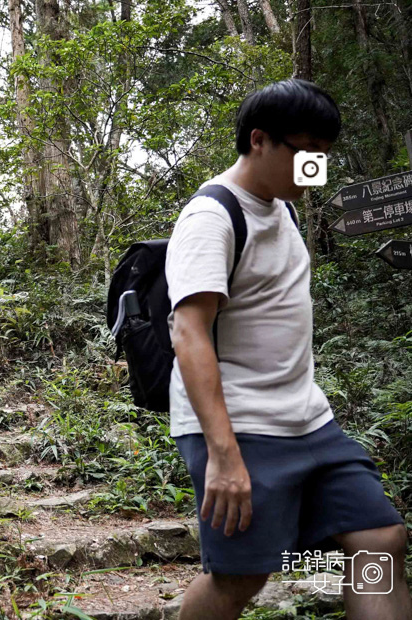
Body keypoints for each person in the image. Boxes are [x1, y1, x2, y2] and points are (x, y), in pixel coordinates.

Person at [165, 79, 410, 620]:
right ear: (259, 140)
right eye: (306, 153)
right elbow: (188, 332)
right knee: (241, 575)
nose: (315, 169)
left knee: (379, 538)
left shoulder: (284, 210)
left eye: (323, 156)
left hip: (308, 419)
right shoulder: (211, 216)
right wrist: (224, 455)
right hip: (242, 423)